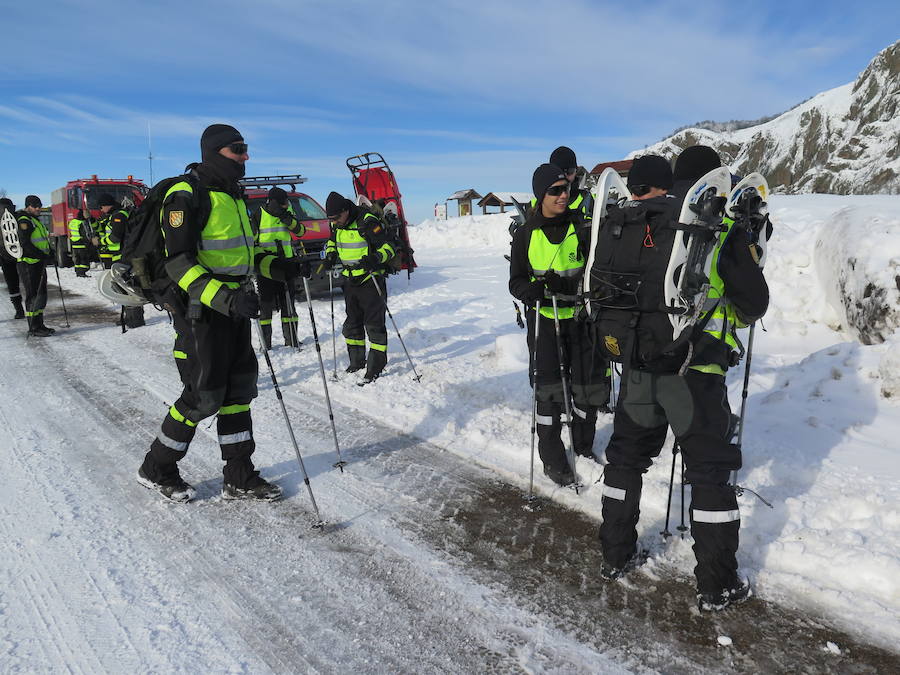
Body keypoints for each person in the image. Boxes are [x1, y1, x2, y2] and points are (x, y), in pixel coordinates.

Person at [593, 149, 769, 611]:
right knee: (710, 474)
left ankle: (615, 555)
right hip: (696, 373)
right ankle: (717, 584)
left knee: (625, 458)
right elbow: (754, 304)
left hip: (638, 366)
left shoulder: (632, 221)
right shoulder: (713, 229)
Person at [137, 123, 305, 503]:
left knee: (238, 393)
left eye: (246, 149)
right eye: (238, 149)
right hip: (201, 311)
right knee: (203, 396)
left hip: (233, 307)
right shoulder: (186, 195)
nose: (246, 156)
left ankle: (239, 475)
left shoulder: (234, 195)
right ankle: (156, 467)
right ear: (214, 152)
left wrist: (278, 268)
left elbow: (241, 257)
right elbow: (178, 263)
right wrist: (226, 300)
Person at [509, 164, 610, 486]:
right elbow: (516, 282)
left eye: (566, 188)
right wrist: (531, 291)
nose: (564, 195)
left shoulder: (581, 226)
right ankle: (552, 458)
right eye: (555, 190)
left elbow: (597, 272)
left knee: (587, 390)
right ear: (541, 195)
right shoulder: (526, 234)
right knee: (549, 392)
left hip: (580, 321)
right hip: (545, 319)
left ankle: (583, 447)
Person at [322, 191, 396, 384]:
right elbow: (332, 242)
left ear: (346, 210)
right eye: (331, 219)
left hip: (370, 279)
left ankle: (375, 367)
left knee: (374, 325)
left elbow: (390, 247)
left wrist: (376, 258)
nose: (334, 222)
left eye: (337, 217)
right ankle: (357, 362)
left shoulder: (367, 221)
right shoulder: (335, 223)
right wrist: (330, 255)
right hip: (350, 280)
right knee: (352, 324)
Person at [251, 186, 306, 349]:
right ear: (275, 202)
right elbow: (251, 241)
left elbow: (301, 231)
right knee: (266, 306)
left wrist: (287, 218)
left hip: (286, 266)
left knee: (288, 304)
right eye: (284, 203)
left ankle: (291, 339)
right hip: (266, 267)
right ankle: (265, 343)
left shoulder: (287, 214)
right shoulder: (258, 215)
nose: (287, 205)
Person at [15, 195, 55, 336]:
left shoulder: (34, 220)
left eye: (39, 205)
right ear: (28, 206)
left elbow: (41, 240)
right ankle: (33, 327)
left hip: (38, 263)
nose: (38, 208)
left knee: (41, 294)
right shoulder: (24, 220)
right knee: (33, 295)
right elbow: (24, 244)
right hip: (28, 263)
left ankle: (39, 324)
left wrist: (49, 251)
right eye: (35, 206)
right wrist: (41, 255)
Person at [0, 197, 25, 319]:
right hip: (21, 254)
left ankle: (19, 310)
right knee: (28, 282)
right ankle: (33, 308)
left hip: (4, 256)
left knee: (12, 284)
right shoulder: (18, 216)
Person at [68, 209, 92, 277]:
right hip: (81, 243)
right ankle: (82, 272)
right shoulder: (82, 223)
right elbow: (85, 234)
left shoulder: (72, 222)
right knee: (83, 258)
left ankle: (78, 272)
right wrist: (88, 242)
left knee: (77, 259)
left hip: (74, 243)